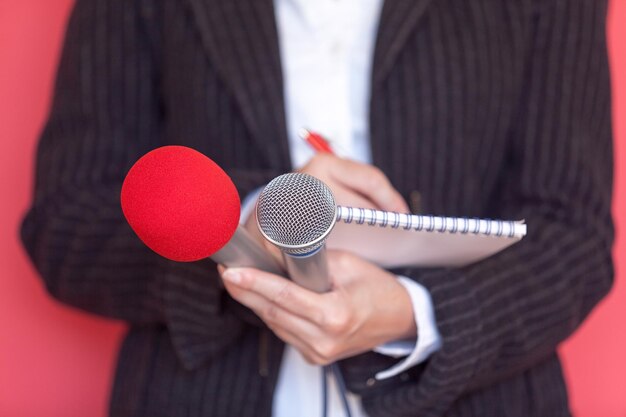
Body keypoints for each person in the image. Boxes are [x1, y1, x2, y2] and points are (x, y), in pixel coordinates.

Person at [21, 0, 614, 416]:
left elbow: (571, 234)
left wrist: (415, 314)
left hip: (481, 398)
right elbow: (68, 225)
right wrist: (254, 217)